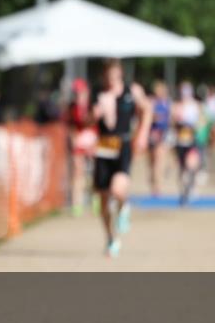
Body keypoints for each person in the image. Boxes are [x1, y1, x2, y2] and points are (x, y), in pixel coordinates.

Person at [91, 59, 151, 258]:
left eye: (114, 75)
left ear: (120, 74)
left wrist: (142, 133)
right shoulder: (97, 94)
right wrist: (97, 113)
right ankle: (111, 238)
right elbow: (86, 119)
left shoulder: (132, 91)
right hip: (103, 147)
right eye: (108, 75)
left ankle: (125, 206)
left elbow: (147, 109)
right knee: (103, 199)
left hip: (123, 144)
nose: (111, 79)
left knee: (117, 189)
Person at [65, 78, 96, 216]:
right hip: (78, 143)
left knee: (94, 174)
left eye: (80, 92)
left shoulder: (92, 106)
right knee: (78, 173)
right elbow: (69, 126)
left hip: (92, 142)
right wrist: (73, 139)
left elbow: (96, 125)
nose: (78, 95)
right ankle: (76, 204)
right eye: (76, 92)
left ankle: (96, 200)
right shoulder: (71, 108)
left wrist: (93, 144)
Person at [172, 82, 204, 205]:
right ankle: (183, 191)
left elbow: (201, 122)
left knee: (191, 166)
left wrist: (195, 128)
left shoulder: (196, 106)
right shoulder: (177, 106)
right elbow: (173, 122)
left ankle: (190, 189)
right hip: (180, 142)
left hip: (192, 141)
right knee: (182, 169)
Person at [147, 80, 171, 198]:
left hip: (162, 135)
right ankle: (153, 183)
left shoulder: (167, 103)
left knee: (159, 161)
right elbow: (149, 117)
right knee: (152, 162)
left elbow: (169, 118)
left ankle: (158, 187)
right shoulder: (151, 102)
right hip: (152, 134)